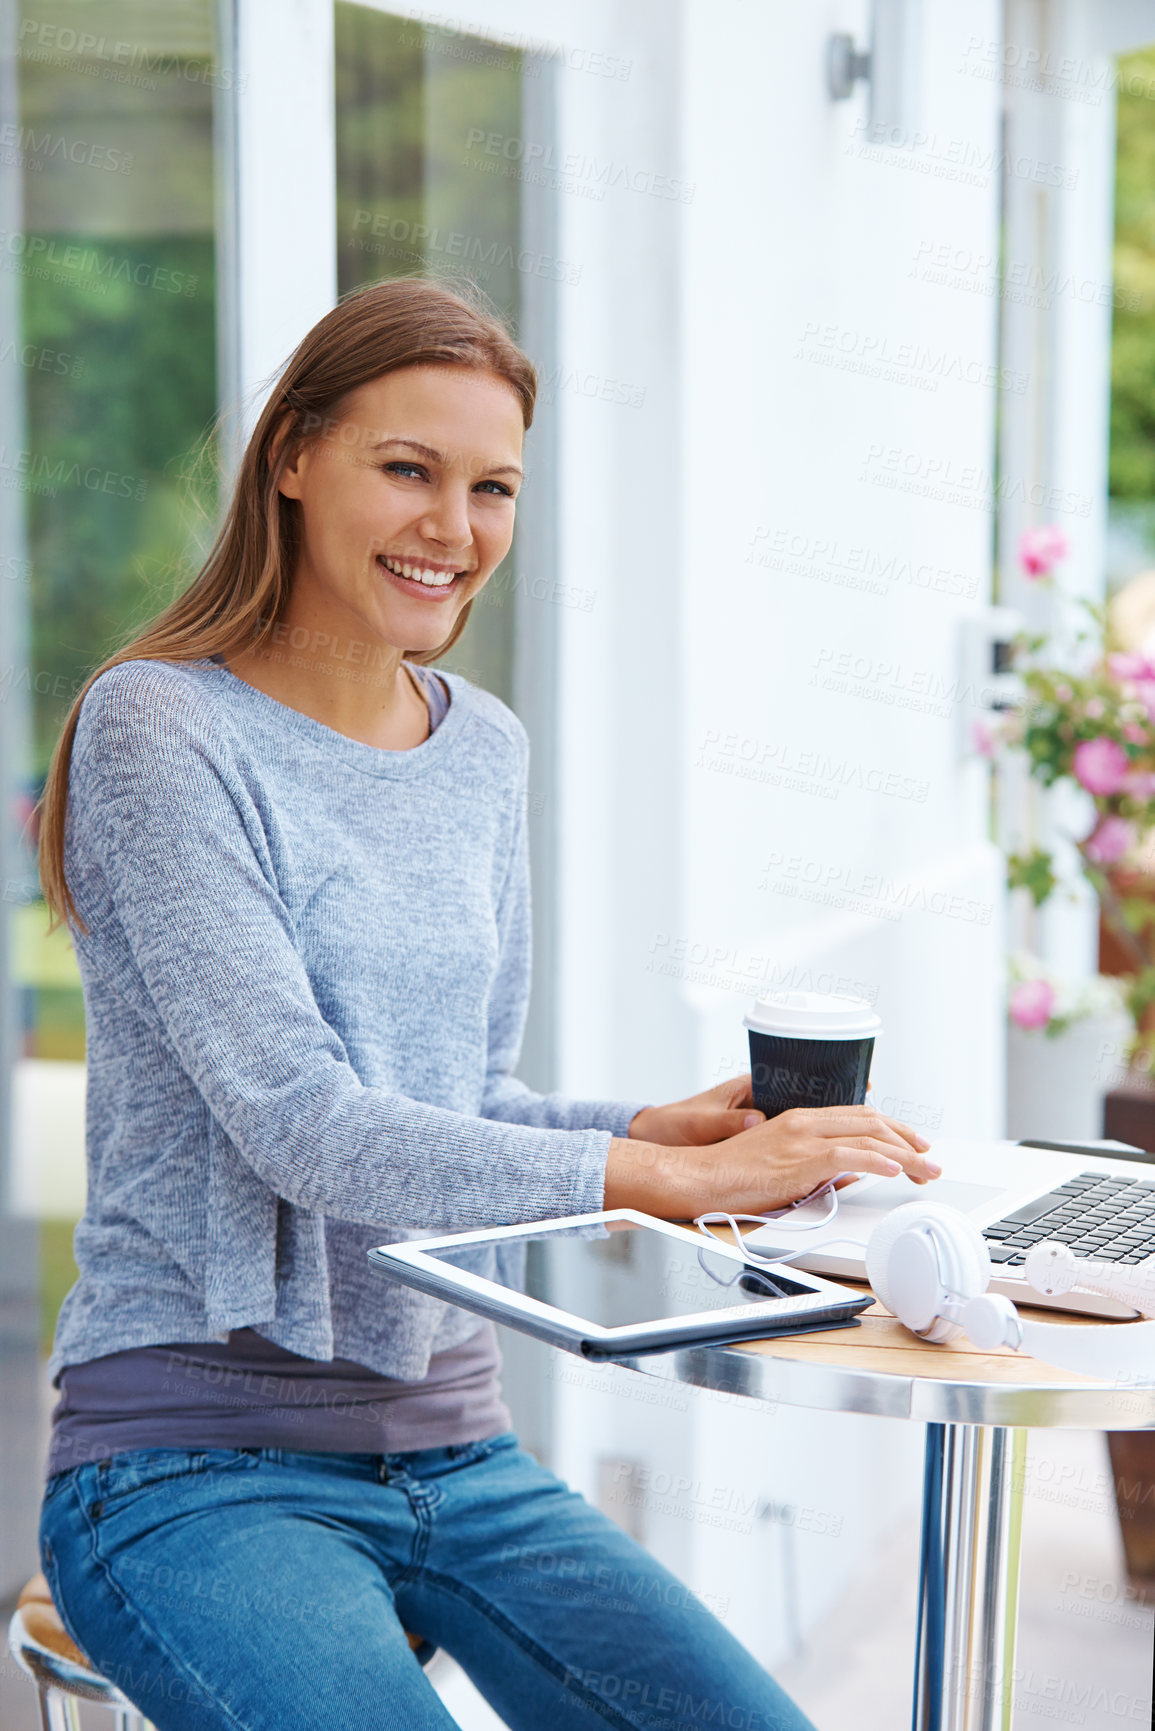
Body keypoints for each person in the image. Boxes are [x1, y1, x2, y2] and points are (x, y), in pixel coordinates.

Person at [35, 277, 938, 1731]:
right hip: (193, 1457)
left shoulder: (482, 748)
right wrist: (668, 1172)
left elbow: (462, 1108)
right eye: (408, 470)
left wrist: (653, 1123)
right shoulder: (164, 728)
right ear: (292, 459)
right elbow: (304, 1126)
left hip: (458, 1449)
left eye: (492, 488)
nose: (453, 529)